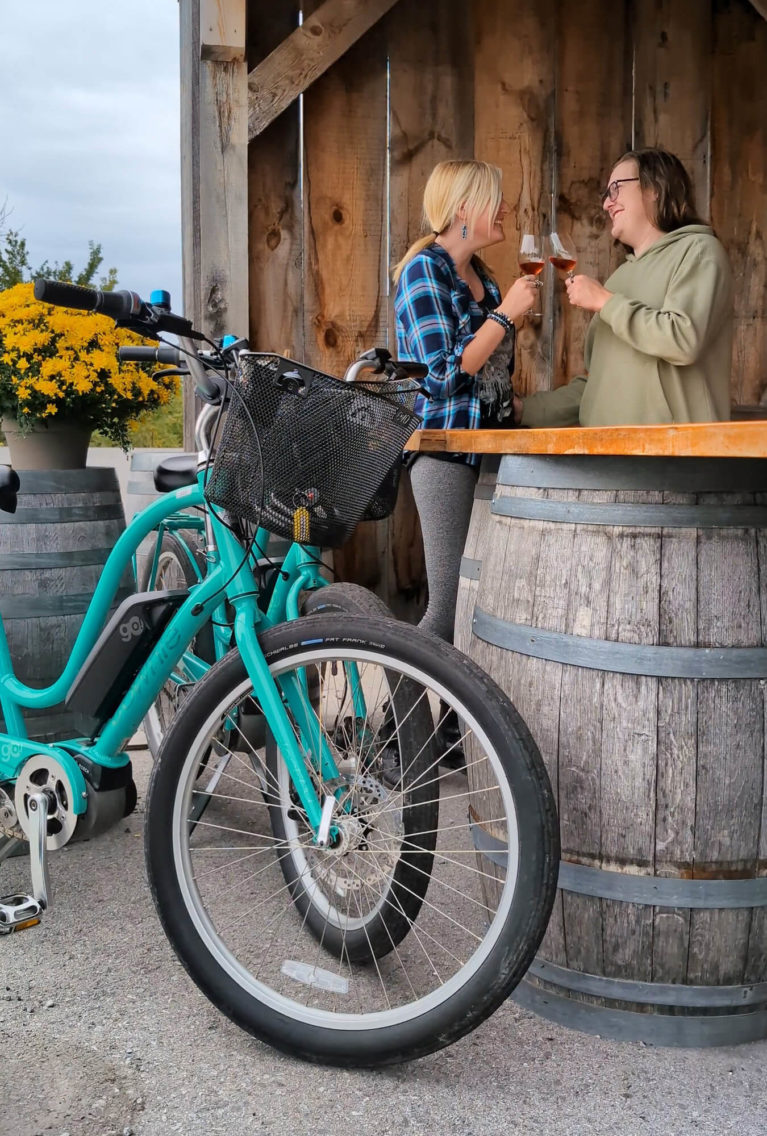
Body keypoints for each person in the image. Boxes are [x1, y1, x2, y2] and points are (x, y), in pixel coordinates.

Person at [393, 159, 538, 647]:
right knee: (449, 604)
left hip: (494, 454)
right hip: (445, 454)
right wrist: (504, 315)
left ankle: (457, 724)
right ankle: (406, 720)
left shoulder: (485, 278)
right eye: (493, 200)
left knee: (486, 600)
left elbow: (493, 381)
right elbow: (441, 375)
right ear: (462, 209)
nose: (504, 209)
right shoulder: (423, 272)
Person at [517, 148, 733, 428]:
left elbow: (683, 340)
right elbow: (597, 384)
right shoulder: (619, 278)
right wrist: (526, 410)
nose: (608, 203)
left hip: (674, 459)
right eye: (606, 194)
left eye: (616, 189)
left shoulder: (700, 252)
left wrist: (607, 302)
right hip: (609, 459)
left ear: (655, 188)